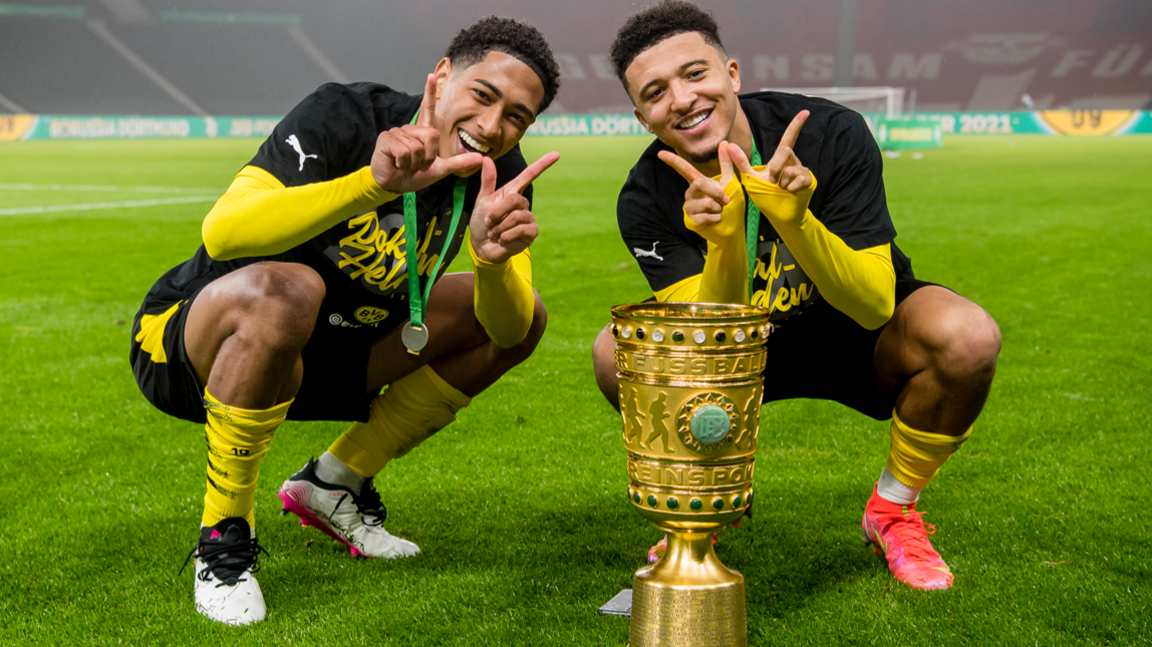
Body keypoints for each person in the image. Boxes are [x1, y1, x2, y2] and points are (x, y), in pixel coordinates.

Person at [129, 16, 561, 625]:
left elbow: (511, 331)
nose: (493, 127)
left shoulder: (499, 170)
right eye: (483, 95)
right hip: (196, 343)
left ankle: (333, 484)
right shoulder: (347, 115)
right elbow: (222, 232)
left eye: (517, 115)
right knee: (289, 288)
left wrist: (492, 263)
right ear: (442, 77)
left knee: (524, 312)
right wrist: (371, 186)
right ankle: (224, 536)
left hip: (326, 349)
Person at [592, 0, 1000, 591]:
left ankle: (892, 509)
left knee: (967, 335)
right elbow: (709, 336)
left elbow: (873, 306)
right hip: (745, 352)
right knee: (619, 353)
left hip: (859, 332)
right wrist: (726, 241)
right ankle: (704, 510)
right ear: (640, 115)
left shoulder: (830, 133)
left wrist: (797, 223)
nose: (680, 99)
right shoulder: (646, 197)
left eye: (694, 74)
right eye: (655, 92)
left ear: (731, 75)